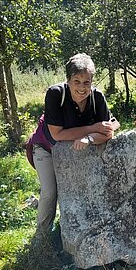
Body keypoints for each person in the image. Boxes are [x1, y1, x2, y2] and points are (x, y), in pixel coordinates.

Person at [32, 53, 114, 234]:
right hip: (46, 148)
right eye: (76, 81)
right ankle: (42, 238)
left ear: (92, 81)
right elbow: (57, 134)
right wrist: (93, 127)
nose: (82, 88)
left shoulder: (97, 97)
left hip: (77, 150)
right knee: (50, 192)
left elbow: (109, 130)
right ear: (68, 80)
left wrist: (90, 138)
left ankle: (75, 232)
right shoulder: (55, 94)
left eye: (87, 82)